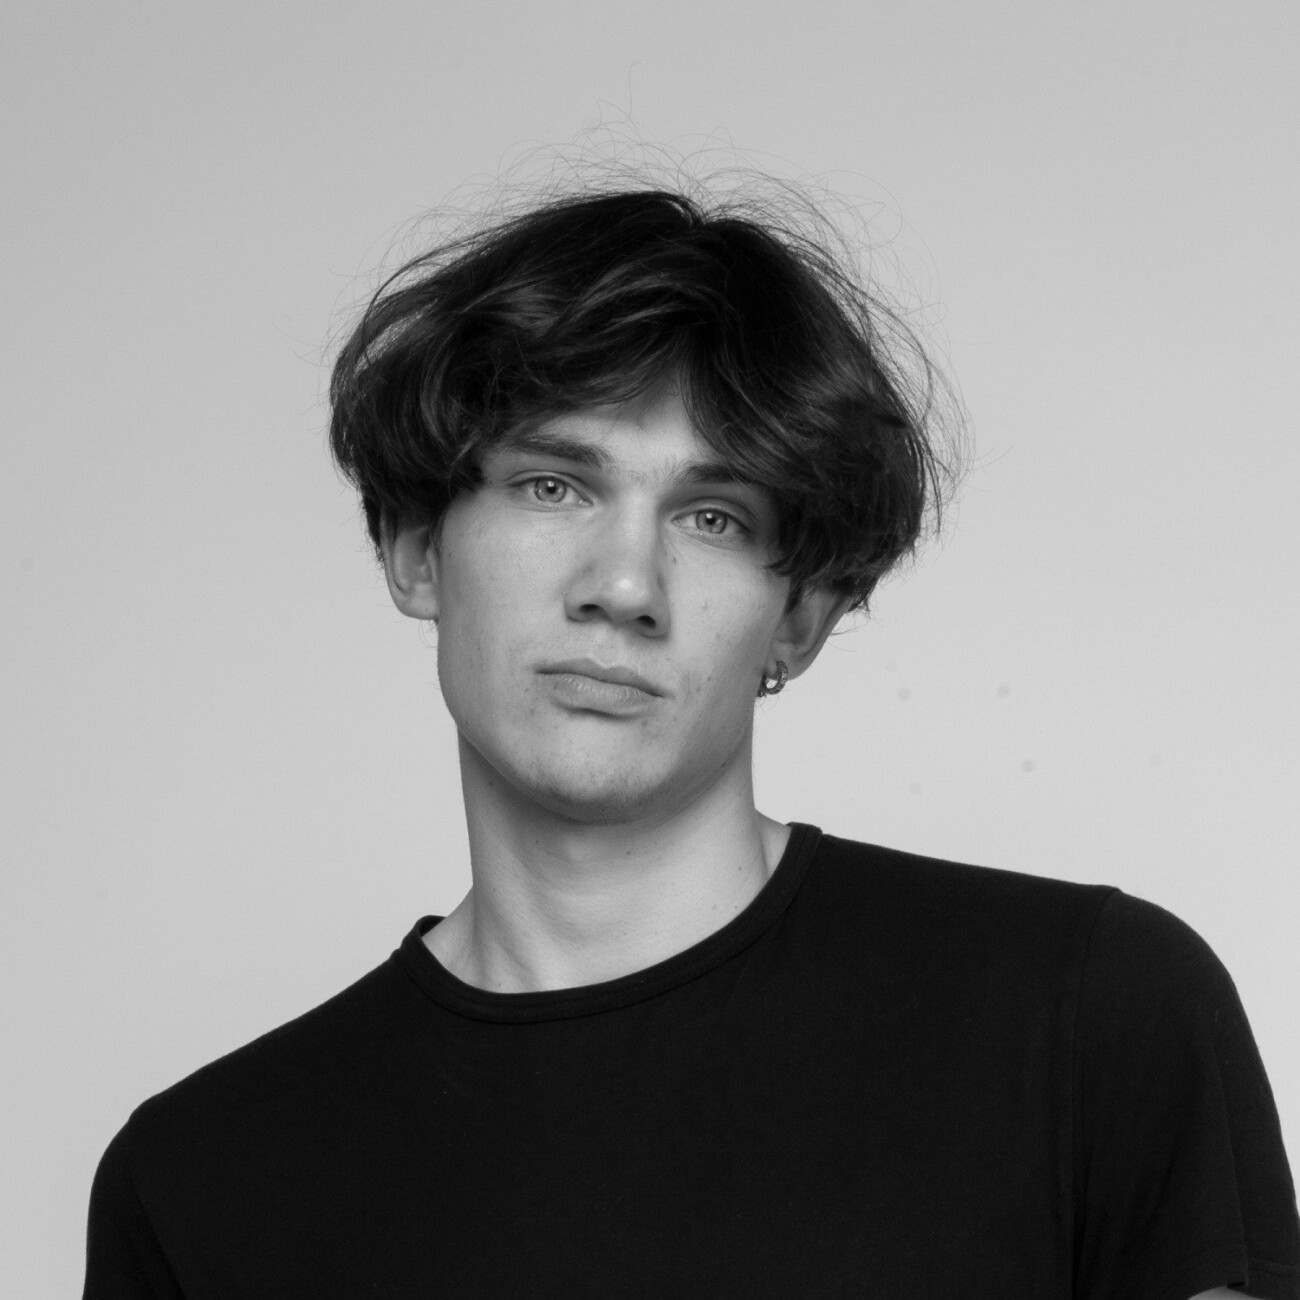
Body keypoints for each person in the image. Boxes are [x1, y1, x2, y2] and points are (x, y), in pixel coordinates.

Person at [83, 180, 1299, 1299]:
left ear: (800, 618)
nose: (623, 584)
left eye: (712, 516)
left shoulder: (1090, 1017)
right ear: (415, 551)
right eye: (553, 484)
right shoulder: (200, 1181)